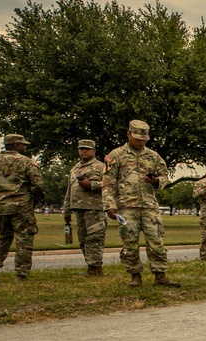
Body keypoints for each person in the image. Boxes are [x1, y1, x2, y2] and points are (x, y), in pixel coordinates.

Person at [103, 120, 180, 288]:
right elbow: (108, 181)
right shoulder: (116, 155)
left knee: (156, 241)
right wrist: (109, 204)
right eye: (138, 138)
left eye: (144, 139)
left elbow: (164, 177)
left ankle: (160, 275)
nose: (141, 142)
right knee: (129, 242)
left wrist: (155, 181)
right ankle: (135, 275)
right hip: (126, 207)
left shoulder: (154, 156)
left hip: (149, 206)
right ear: (129, 134)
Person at [0, 134, 44, 283]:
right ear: (16, 146)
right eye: (23, 145)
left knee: (4, 236)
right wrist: (33, 201)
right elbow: (38, 186)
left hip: (1, 207)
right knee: (24, 240)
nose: (25, 147)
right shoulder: (26, 162)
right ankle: (20, 275)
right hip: (22, 207)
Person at [62, 139, 106, 277]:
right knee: (83, 239)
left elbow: (111, 184)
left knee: (95, 238)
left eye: (87, 149)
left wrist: (92, 184)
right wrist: (67, 209)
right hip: (79, 208)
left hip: (94, 208)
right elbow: (70, 189)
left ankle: (95, 268)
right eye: (81, 148)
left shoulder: (101, 167)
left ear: (94, 150)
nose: (84, 151)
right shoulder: (75, 169)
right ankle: (90, 266)